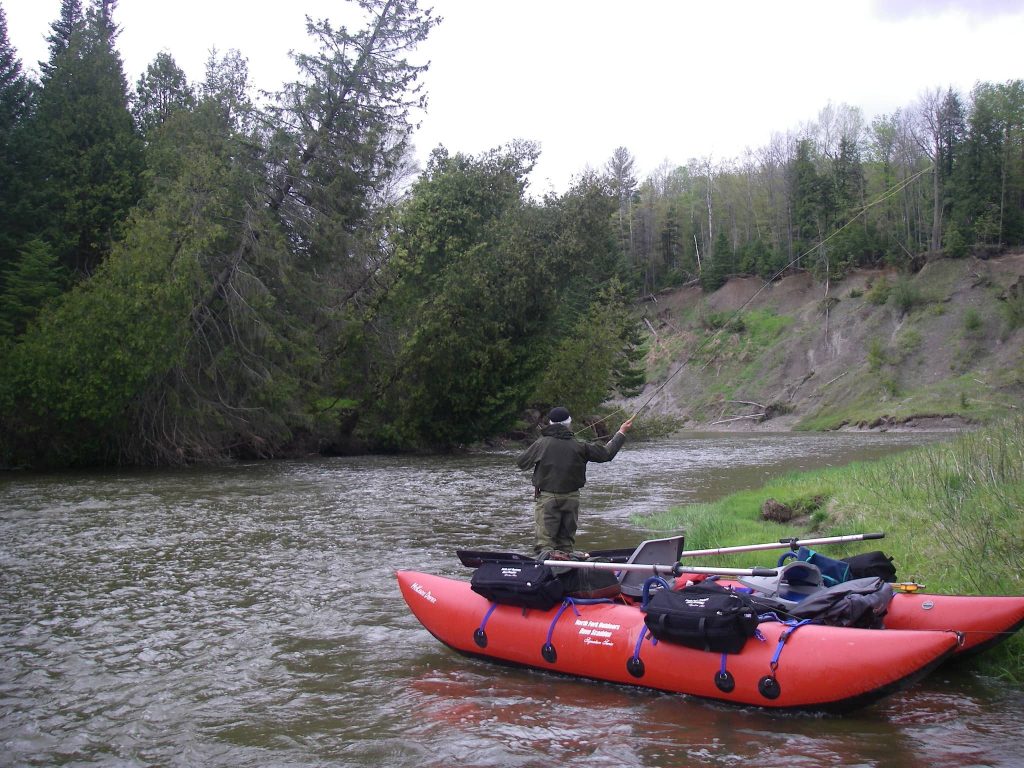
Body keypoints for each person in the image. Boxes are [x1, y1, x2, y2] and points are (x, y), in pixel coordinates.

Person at [516, 406, 633, 556]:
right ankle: (567, 573)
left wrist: (540, 449)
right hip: (571, 499)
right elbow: (606, 454)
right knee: (566, 546)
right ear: (569, 423)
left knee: (544, 546)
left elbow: (522, 463)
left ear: (550, 423)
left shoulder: (541, 443)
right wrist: (621, 432)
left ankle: (545, 574)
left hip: (547, 499)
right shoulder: (579, 445)